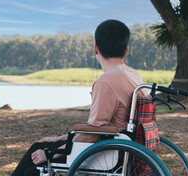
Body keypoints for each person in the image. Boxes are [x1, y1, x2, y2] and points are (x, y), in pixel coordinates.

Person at [12, 19, 150, 176]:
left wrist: (55, 152)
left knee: (35, 159)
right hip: (125, 147)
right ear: (126, 50)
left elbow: (93, 133)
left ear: (95, 47)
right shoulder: (134, 75)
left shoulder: (105, 82)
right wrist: (59, 138)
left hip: (108, 152)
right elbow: (97, 127)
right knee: (41, 146)